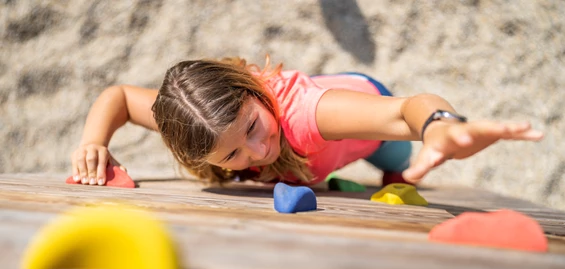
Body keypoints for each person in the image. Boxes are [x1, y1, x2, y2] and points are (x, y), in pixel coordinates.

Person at [71, 56, 543, 187]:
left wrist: (439, 125)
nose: (257, 153)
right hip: (318, 132)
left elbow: (406, 108)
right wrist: (94, 141)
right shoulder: (197, 121)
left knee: (397, 163)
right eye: (232, 154)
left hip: (358, 105)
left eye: (253, 127)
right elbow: (119, 97)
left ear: (255, 93)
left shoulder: (303, 117)